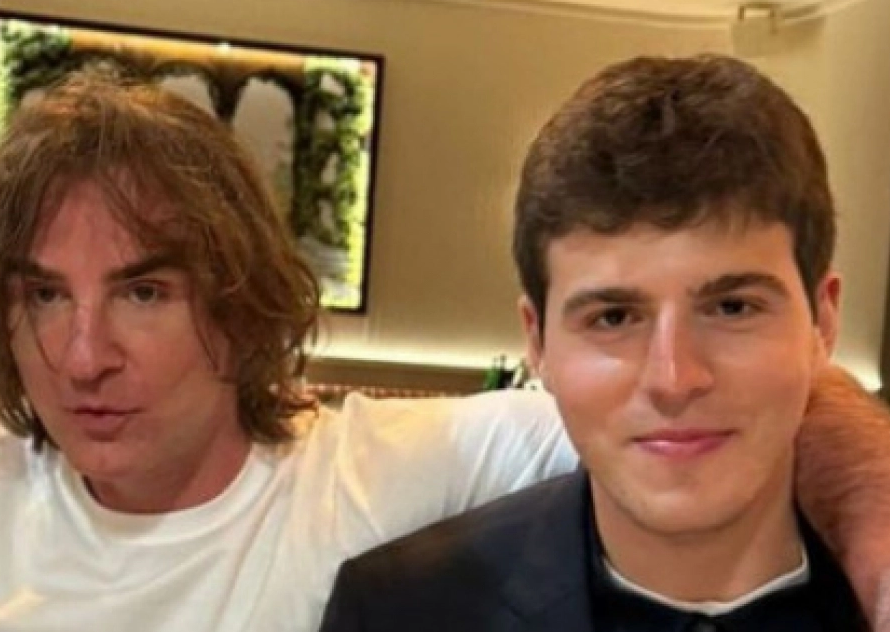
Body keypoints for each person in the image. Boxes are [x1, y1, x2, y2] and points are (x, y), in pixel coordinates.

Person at [0, 73, 890, 632]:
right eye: (40, 295)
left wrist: (880, 539)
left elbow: (734, 404)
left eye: (144, 291)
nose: (83, 356)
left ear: (240, 300)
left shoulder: (396, 476)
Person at [318, 54, 875, 631]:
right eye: (614, 318)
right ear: (537, 342)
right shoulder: (401, 612)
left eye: (732, 308)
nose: (673, 378)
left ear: (823, 320)